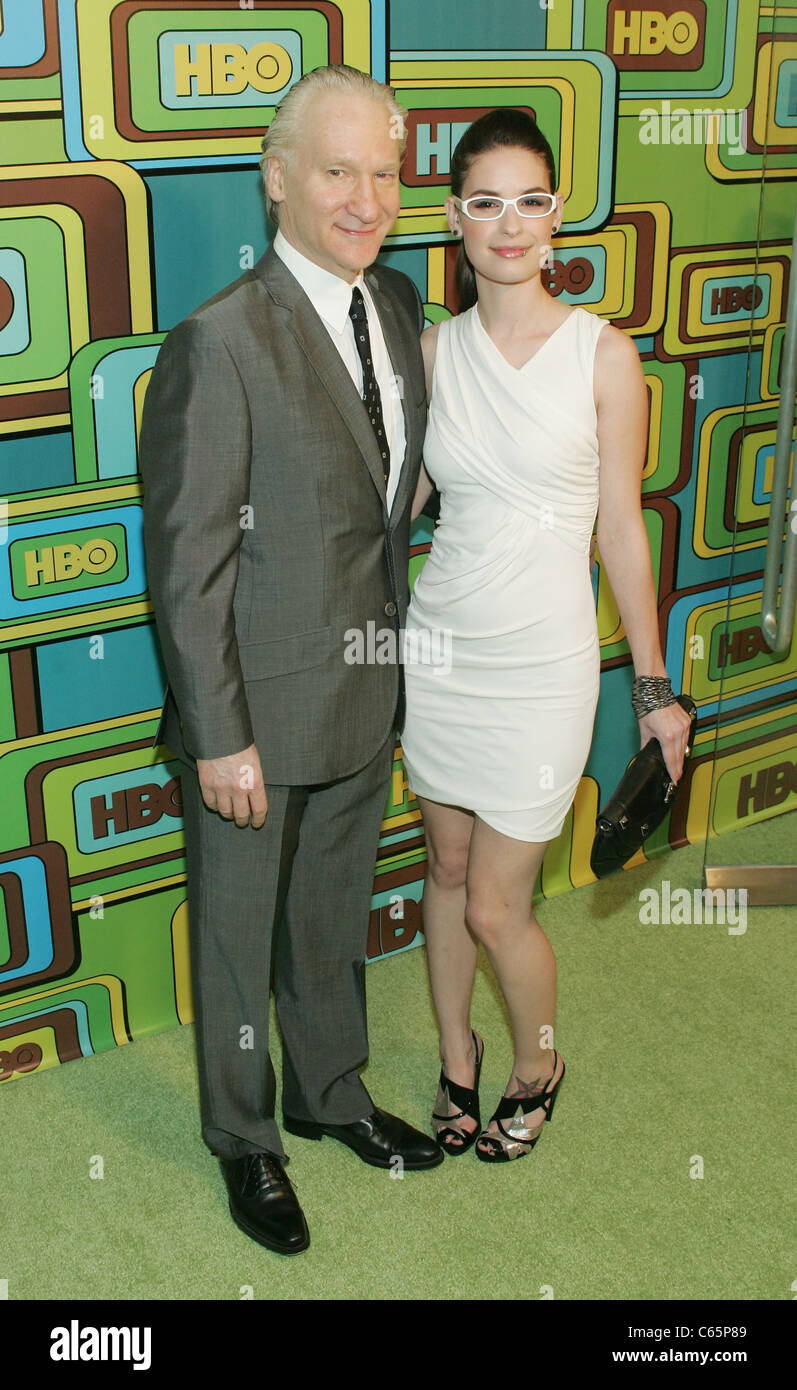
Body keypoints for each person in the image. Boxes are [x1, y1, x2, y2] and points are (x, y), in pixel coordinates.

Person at [138, 64, 442, 1258]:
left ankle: (329, 1096)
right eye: (336, 170)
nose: (366, 197)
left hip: (364, 692)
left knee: (329, 920)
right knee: (234, 935)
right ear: (275, 177)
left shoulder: (402, 307)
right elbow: (188, 559)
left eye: (385, 171)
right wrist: (218, 731)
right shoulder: (218, 341)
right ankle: (247, 1140)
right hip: (252, 718)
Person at [401, 109, 693, 1163]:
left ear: (555, 213)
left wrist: (651, 686)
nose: (508, 224)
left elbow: (620, 525)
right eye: (485, 202)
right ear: (454, 220)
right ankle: (454, 1055)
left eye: (529, 200)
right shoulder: (430, 352)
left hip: (542, 663)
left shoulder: (602, 356)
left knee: (492, 903)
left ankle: (538, 1064)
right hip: (439, 652)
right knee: (440, 872)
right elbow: (408, 499)